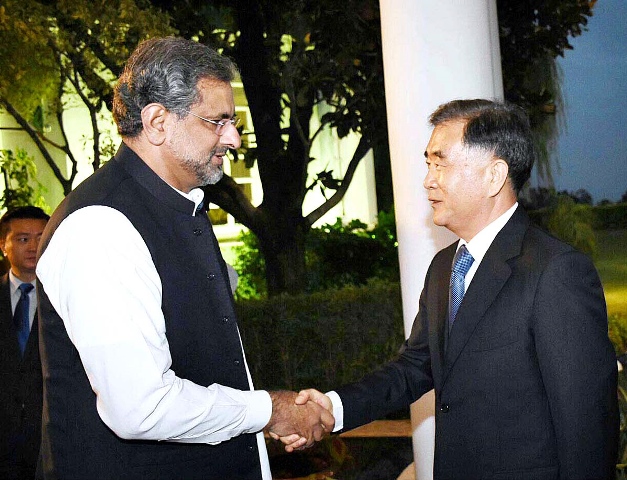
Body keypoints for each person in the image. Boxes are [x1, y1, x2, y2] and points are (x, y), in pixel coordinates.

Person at [35, 37, 333, 480]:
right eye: (218, 122)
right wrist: (269, 410)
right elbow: (142, 407)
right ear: (157, 122)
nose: (233, 138)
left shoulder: (180, 203)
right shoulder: (101, 226)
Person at [287, 99, 619, 479]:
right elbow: (415, 368)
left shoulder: (555, 271)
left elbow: (587, 423)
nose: (428, 179)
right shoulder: (445, 266)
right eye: (428, 164)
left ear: (494, 176)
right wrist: (333, 407)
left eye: (440, 163)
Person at [0, 206, 49, 479]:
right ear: (3, 245)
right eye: (22, 239)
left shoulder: (64, 299)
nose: (33, 246)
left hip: (48, 439)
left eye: (41, 237)